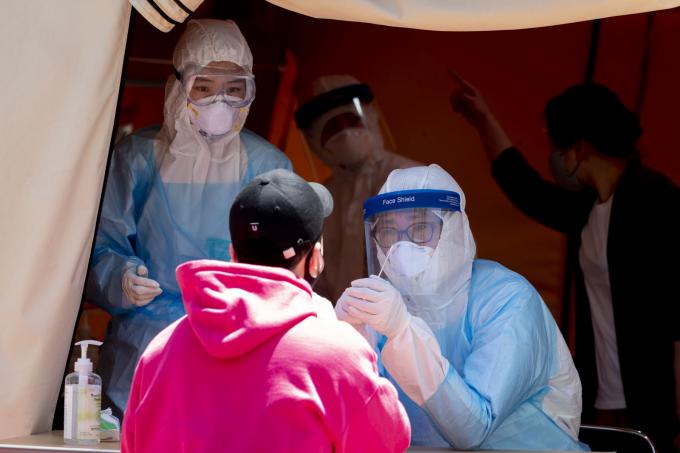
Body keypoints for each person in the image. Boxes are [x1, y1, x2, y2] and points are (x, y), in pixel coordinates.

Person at [451, 76, 680, 452]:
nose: (554, 157)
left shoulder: (655, 199)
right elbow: (525, 188)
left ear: (580, 147)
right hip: (601, 396)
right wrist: (484, 120)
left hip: (652, 397)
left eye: (556, 146)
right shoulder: (587, 208)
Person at [86, 19, 292, 418]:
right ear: (179, 87)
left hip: (234, 343)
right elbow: (99, 246)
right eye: (204, 87)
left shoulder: (269, 166)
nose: (220, 102)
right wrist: (121, 278)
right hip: (145, 347)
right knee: (140, 431)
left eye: (234, 90)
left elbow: (286, 268)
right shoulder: (137, 158)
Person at [121, 169, 411, 453]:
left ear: (233, 254)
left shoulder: (158, 352)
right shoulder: (340, 355)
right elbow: (388, 443)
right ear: (314, 259)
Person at [335, 164, 587, 450]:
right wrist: (347, 345)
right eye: (389, 232)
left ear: (453, 231)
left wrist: (403, 333)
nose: (402, 247)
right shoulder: (385, 306)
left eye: (420, 229)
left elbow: (473, 431)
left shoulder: (507, 300)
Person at [294, 75, 419, 303]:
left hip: (405, 316)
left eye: (353, 121)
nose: (345, 132)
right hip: (339, 320)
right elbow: (316, 275)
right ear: (316, 141)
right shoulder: (321, 200)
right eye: (332, 127)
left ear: (369, 120)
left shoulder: (409, 178)